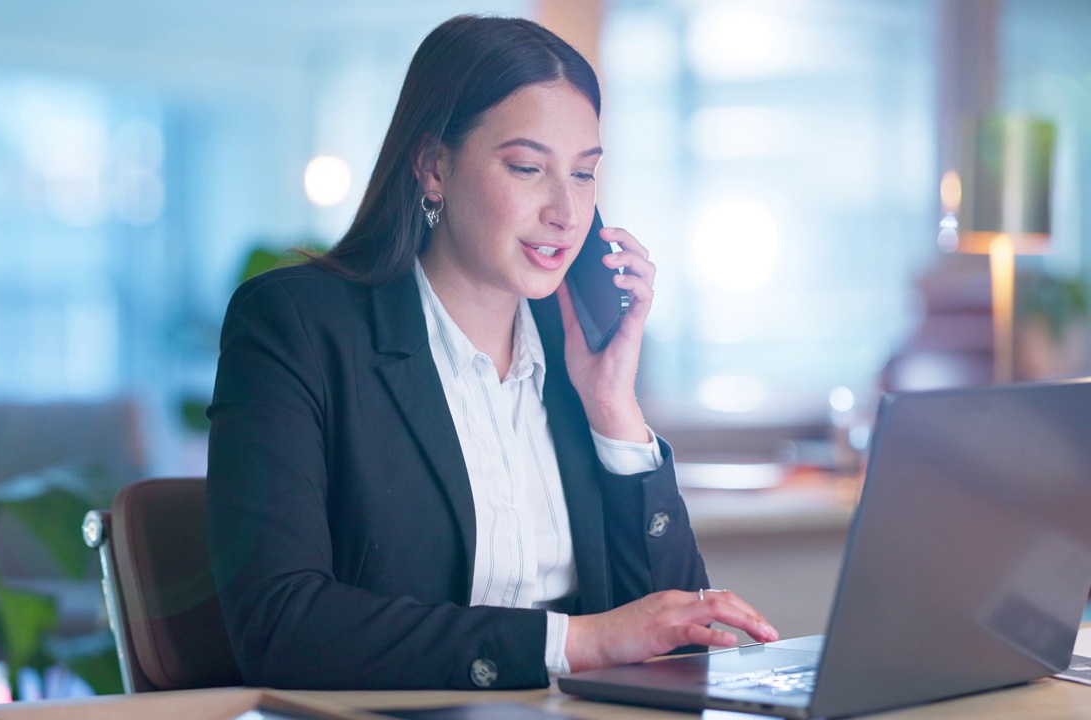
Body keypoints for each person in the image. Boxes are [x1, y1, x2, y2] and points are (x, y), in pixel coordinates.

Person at [206, 13, 777, 691]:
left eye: (585, 175)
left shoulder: (575, 351)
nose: (567, 212)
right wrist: (579, 641)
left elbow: (679, 637)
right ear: (433, 166)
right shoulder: (297, 326)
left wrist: (612, 409)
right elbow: (281, 627)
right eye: (528, 168)